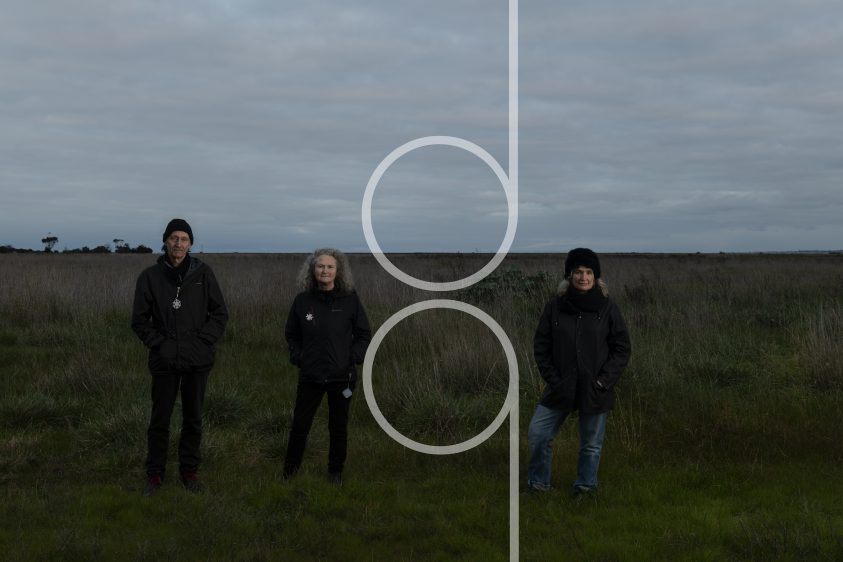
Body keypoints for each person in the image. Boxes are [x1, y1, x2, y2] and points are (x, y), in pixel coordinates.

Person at [131, 218, 228, 496]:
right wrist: (160, 345)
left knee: (193, 418)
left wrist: (202, 342)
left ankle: (189, 472)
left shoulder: (203, 274)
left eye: (184, 239)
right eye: (174, 238)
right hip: (165, 360)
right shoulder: (150, 277)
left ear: (190, 244)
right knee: (160, 419)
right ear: (165, 241)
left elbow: (220, 314)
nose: (179, 243)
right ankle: (155, 475)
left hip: (197, 360)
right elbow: (139, 320)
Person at [526, 248, 631, 497]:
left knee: (591, 445)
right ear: (569, 276)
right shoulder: (555, 307)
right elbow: (541, 346)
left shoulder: (607, 308)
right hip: (560, 386)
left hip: (594, 388)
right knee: (538, 434)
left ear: (596, 277)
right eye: (578, 272)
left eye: (588, 272)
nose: (583, 277)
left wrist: (604, 381)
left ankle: (585, 487)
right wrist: (554, 379)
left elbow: (622, 348)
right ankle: (539, 485)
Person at [283, 248, 371, 485]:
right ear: (312, 270)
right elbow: (291, 334)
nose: (325, 270)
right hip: (310, 375)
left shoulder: (350, 299)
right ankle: (289, 472)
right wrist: (298, 357)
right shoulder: (303, 301)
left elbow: (363, 333)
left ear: (338, 271)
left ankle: (335, 473)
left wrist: (352, 357)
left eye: (330, 266)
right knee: (300, 425)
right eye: (320, 266)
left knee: (338, 427)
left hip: (342, 377)